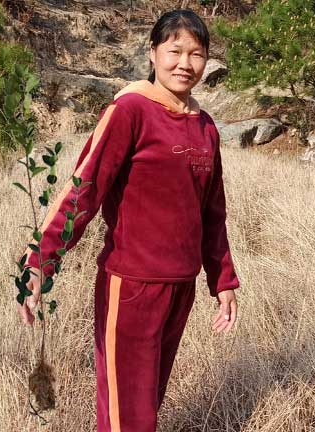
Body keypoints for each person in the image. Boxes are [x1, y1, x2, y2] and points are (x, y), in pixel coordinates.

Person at [16, 9, 240, 432]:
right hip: (132, 286)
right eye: (174, 51)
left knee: (146, 404)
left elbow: (212, 212)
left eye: (196, 54)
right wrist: (40, 261)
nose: (185, 64)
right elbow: (85, 188)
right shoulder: (130, 110)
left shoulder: (205, 127)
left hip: (181, 286)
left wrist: (223, 280)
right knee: (127, 414)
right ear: (153, 52)